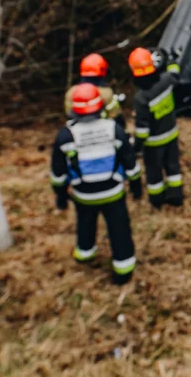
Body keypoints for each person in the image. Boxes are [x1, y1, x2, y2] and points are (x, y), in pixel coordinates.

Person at [50, 83, 142, 285]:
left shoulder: (65, 135)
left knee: (85, 223)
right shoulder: (114, 129)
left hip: (83, 194)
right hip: (113, 192)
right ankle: (123, 268)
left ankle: (85, 253)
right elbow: (129, 161)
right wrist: (136, 185)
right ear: (101, 106)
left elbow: (58, 171)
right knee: (119, 230)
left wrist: (61, 195)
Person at [128, 47, 183, 208]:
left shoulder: (141, 98)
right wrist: (172, 59)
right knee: (173, 166)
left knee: (154, 173)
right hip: (171, 134)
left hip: (153, 144)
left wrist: (136, 145)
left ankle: (157, 200)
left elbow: (142, 129)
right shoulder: (167, 81)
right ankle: (176, 196)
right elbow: (175, 72)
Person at [64, 53, 124, 126]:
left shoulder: (71, 92)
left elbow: (68, 115)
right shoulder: (106, 93)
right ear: (103, 69)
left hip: (76, 132)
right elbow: (116, 115)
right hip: (102, 132)